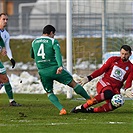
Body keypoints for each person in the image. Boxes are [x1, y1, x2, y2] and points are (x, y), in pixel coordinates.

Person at [30, 25, 91, 115]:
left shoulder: (34, 42)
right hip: (55, 68)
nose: (54, 36)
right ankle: (89, 100)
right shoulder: (53, 41)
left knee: (49, 92)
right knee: (73, 84)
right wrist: (60, 66)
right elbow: (58, 54)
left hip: (43, 71)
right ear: (51, 33)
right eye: (54, 34)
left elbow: (32, 55)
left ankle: (62, 109)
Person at [71, 44, 133, 113]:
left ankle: (92, 110)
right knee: (108, 93)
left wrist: (127, 89)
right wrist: (88, 78)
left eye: (126, 54)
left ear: (130, 54)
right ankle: (82, 107)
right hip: (104, 83)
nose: (123, 56)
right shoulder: (113, 59)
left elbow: (129, 81)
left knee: (118, 102)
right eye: (122, 53)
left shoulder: (131, 67)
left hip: (115, 88)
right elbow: (101, 70)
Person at [0, 13, 21, 106]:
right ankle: (12, 101)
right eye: (3, 19)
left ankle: (12, 101)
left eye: (7, 19)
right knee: (4, 78)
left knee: (3, 79)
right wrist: (3, 47)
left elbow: (7, 48)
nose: (5, 21)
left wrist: (11, 58)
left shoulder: (6, 34)